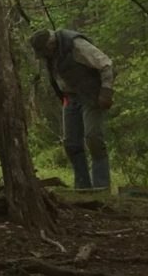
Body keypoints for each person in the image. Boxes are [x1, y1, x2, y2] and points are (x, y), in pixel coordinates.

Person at [28, 27, 115, 191]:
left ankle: (102, 187)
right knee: (71, 144)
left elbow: (106, 64)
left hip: (90, 95)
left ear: (50, 44)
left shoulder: (76, 44)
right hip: (70, 97)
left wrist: (106, 91)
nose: (44, 55)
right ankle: (82, 187)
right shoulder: (51, 54)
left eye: (44, 51)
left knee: (93, 139)